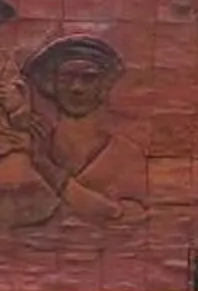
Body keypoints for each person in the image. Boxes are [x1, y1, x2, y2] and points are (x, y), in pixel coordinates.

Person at [19, 35, 150, 223]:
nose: (77, 88)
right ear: (52, 84)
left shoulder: (126, 154)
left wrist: (47, 168)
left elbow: (126, 215)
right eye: (67, 77)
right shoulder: (32, 143)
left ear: (103, 86)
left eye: (89, 78)